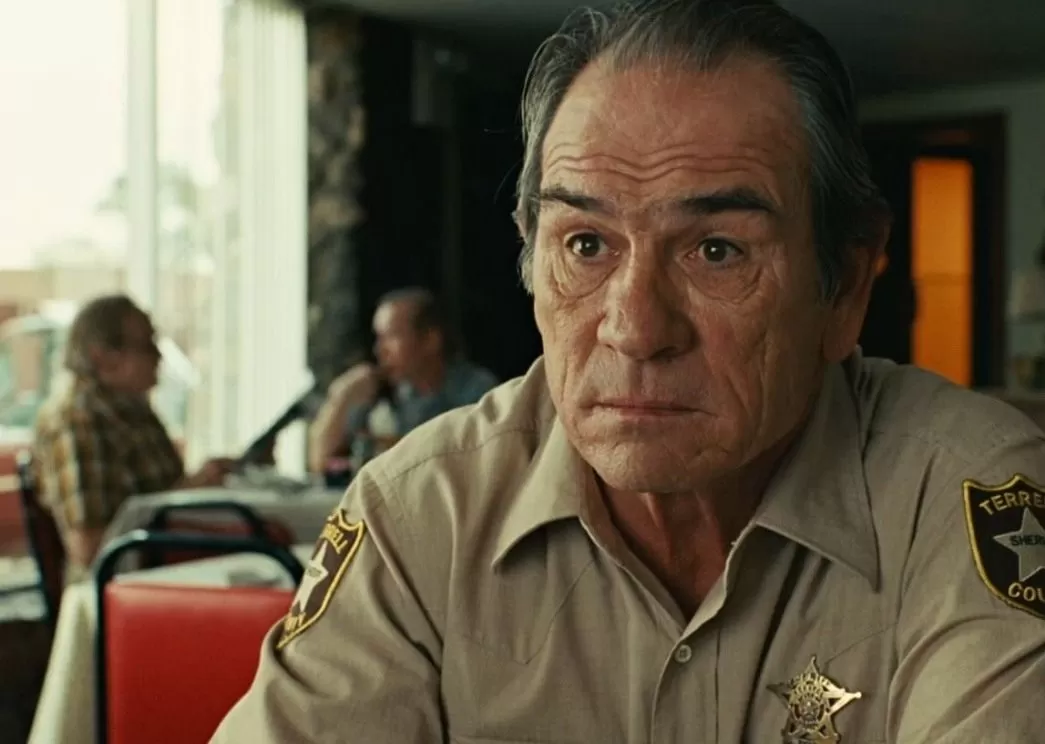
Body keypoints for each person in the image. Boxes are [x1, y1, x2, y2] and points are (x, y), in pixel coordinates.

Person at [212, 1, 1045, 741]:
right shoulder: (419, 515)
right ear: (532, 260)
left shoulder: (963, 496)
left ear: (846, 285)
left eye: (716, 251)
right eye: (585, 244)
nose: (635, 328)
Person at [32, 294, 236, 578]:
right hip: (125, 584)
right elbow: (91, 550)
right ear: (102, 357)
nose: (159, 356)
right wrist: (188, 491)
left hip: (163, 565)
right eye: (147, 345)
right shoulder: (78, 421)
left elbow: (161, 494)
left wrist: (203, 482)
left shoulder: (133, 410)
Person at [307, 287, 497, 475]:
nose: (379, 350)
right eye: (378, 337)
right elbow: (319, 462)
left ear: (431, 340)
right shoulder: (379, 391)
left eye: (392, 336)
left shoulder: (476, 393)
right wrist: (342, 398)